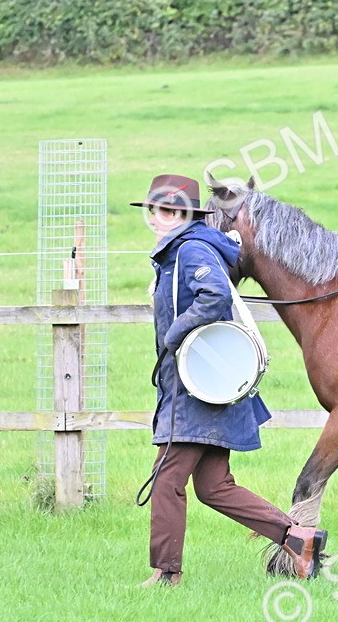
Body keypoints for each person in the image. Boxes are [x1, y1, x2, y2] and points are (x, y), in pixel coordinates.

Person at [133, 174, 325, 586]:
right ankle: (298, 538)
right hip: (197, 381)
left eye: (169, 210)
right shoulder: (181, 249)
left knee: (167, 479)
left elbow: (214, 296)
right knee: (213, 486)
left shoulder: (191, 248)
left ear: (187, 214)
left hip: (195, 390)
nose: (158, 217)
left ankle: (166, 574)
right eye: (155, 209)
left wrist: (175, 332)